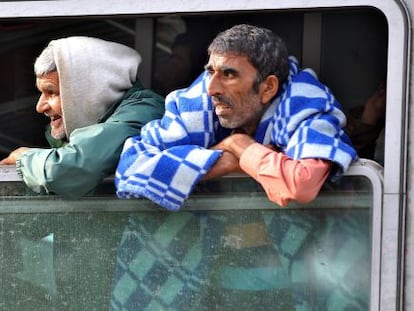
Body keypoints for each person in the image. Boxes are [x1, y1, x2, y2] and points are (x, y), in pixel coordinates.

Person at [110, 24, 365, 311]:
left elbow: (301, 183)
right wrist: (232, 154)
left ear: (268, 87)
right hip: (211, 286)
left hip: (295, 285)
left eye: (229, 74)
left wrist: (242, 147)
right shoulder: (195, 105)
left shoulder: (303, 101)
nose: (212, 88)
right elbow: (132, 170)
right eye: (210, 72)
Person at [0, 36, 165, 197]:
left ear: (91, 90)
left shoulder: (145, 111)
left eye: (51, 92)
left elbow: (67, 171)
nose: (39, 107)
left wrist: (22, 157)